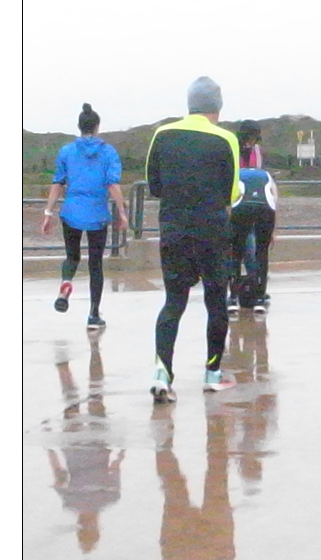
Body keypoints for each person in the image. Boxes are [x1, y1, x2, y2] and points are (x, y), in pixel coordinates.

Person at [145, 77, 240, 402]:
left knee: (173, 302)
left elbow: (154, 185)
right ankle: (212, 373)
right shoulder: (227, 138)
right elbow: (232, 193)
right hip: (212, 231)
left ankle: (162, 373)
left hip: (174, 229)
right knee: (216, 303)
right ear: (218, 106)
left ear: (189, 104)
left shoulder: (162, 133)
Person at [41, 103, 129, 329]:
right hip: (97, 215)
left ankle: (66, 283)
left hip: (71, 212)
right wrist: (121, 212)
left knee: (72, 257)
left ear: (79, 127)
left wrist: (48, 213)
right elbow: (113, 185)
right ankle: (93, 315)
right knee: (95, 264)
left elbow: (57, 184)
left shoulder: (66, 151)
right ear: (97, 127)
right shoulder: (108, 152)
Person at [229, 122, 278, 314]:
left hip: (259, 206)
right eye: (248, 138)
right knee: (242, 251)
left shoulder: (259, 152)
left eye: (254, 139)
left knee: (255, 251)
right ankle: (238, 293)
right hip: (237, 207)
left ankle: (253, 291)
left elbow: (269, 183)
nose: (250, 143)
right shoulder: (232, 150)